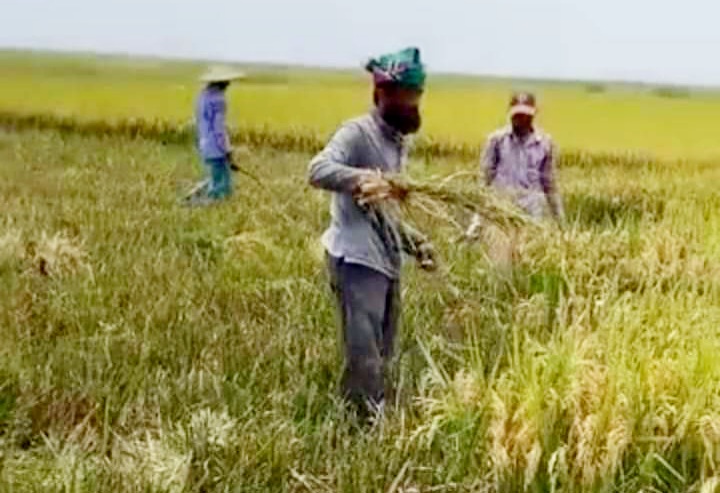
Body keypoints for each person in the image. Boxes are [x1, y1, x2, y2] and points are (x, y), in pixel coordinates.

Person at [308, 47, 436, 419]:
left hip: (385, 260)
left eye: (416, 96)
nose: (411, 104)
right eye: (405, 96)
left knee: (383, 350)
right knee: (363, 351)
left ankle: (371, 413)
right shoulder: (357, 133)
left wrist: (416, 243)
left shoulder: (397, 143)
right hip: (356, 260)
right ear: (381, 94)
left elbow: (384, 212)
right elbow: (317, 169)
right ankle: (361, 425)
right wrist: (362, 178)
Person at [466, 92, 564, 263]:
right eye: (517, 115)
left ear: (533, 115)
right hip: (501, 214)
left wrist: (560, 223)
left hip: (530, 216)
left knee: (527, 264)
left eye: (525, 115)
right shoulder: (497, 141)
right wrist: (477, 220)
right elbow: (484, 182)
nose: (520, 119)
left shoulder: (544, 144)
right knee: (501, 267)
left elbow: (550, 185)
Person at [184, 66, 245, 206]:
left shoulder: (202, 97)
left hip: (204, 144)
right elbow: (218, 129)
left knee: (213, 177)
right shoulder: (218, 100)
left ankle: (192, 196)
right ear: (222, 82)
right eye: (227, 82)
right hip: (216, 148)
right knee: (222, 188)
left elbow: (200, 122)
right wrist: (227, 151)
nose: (229, 84)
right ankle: (194, 204)